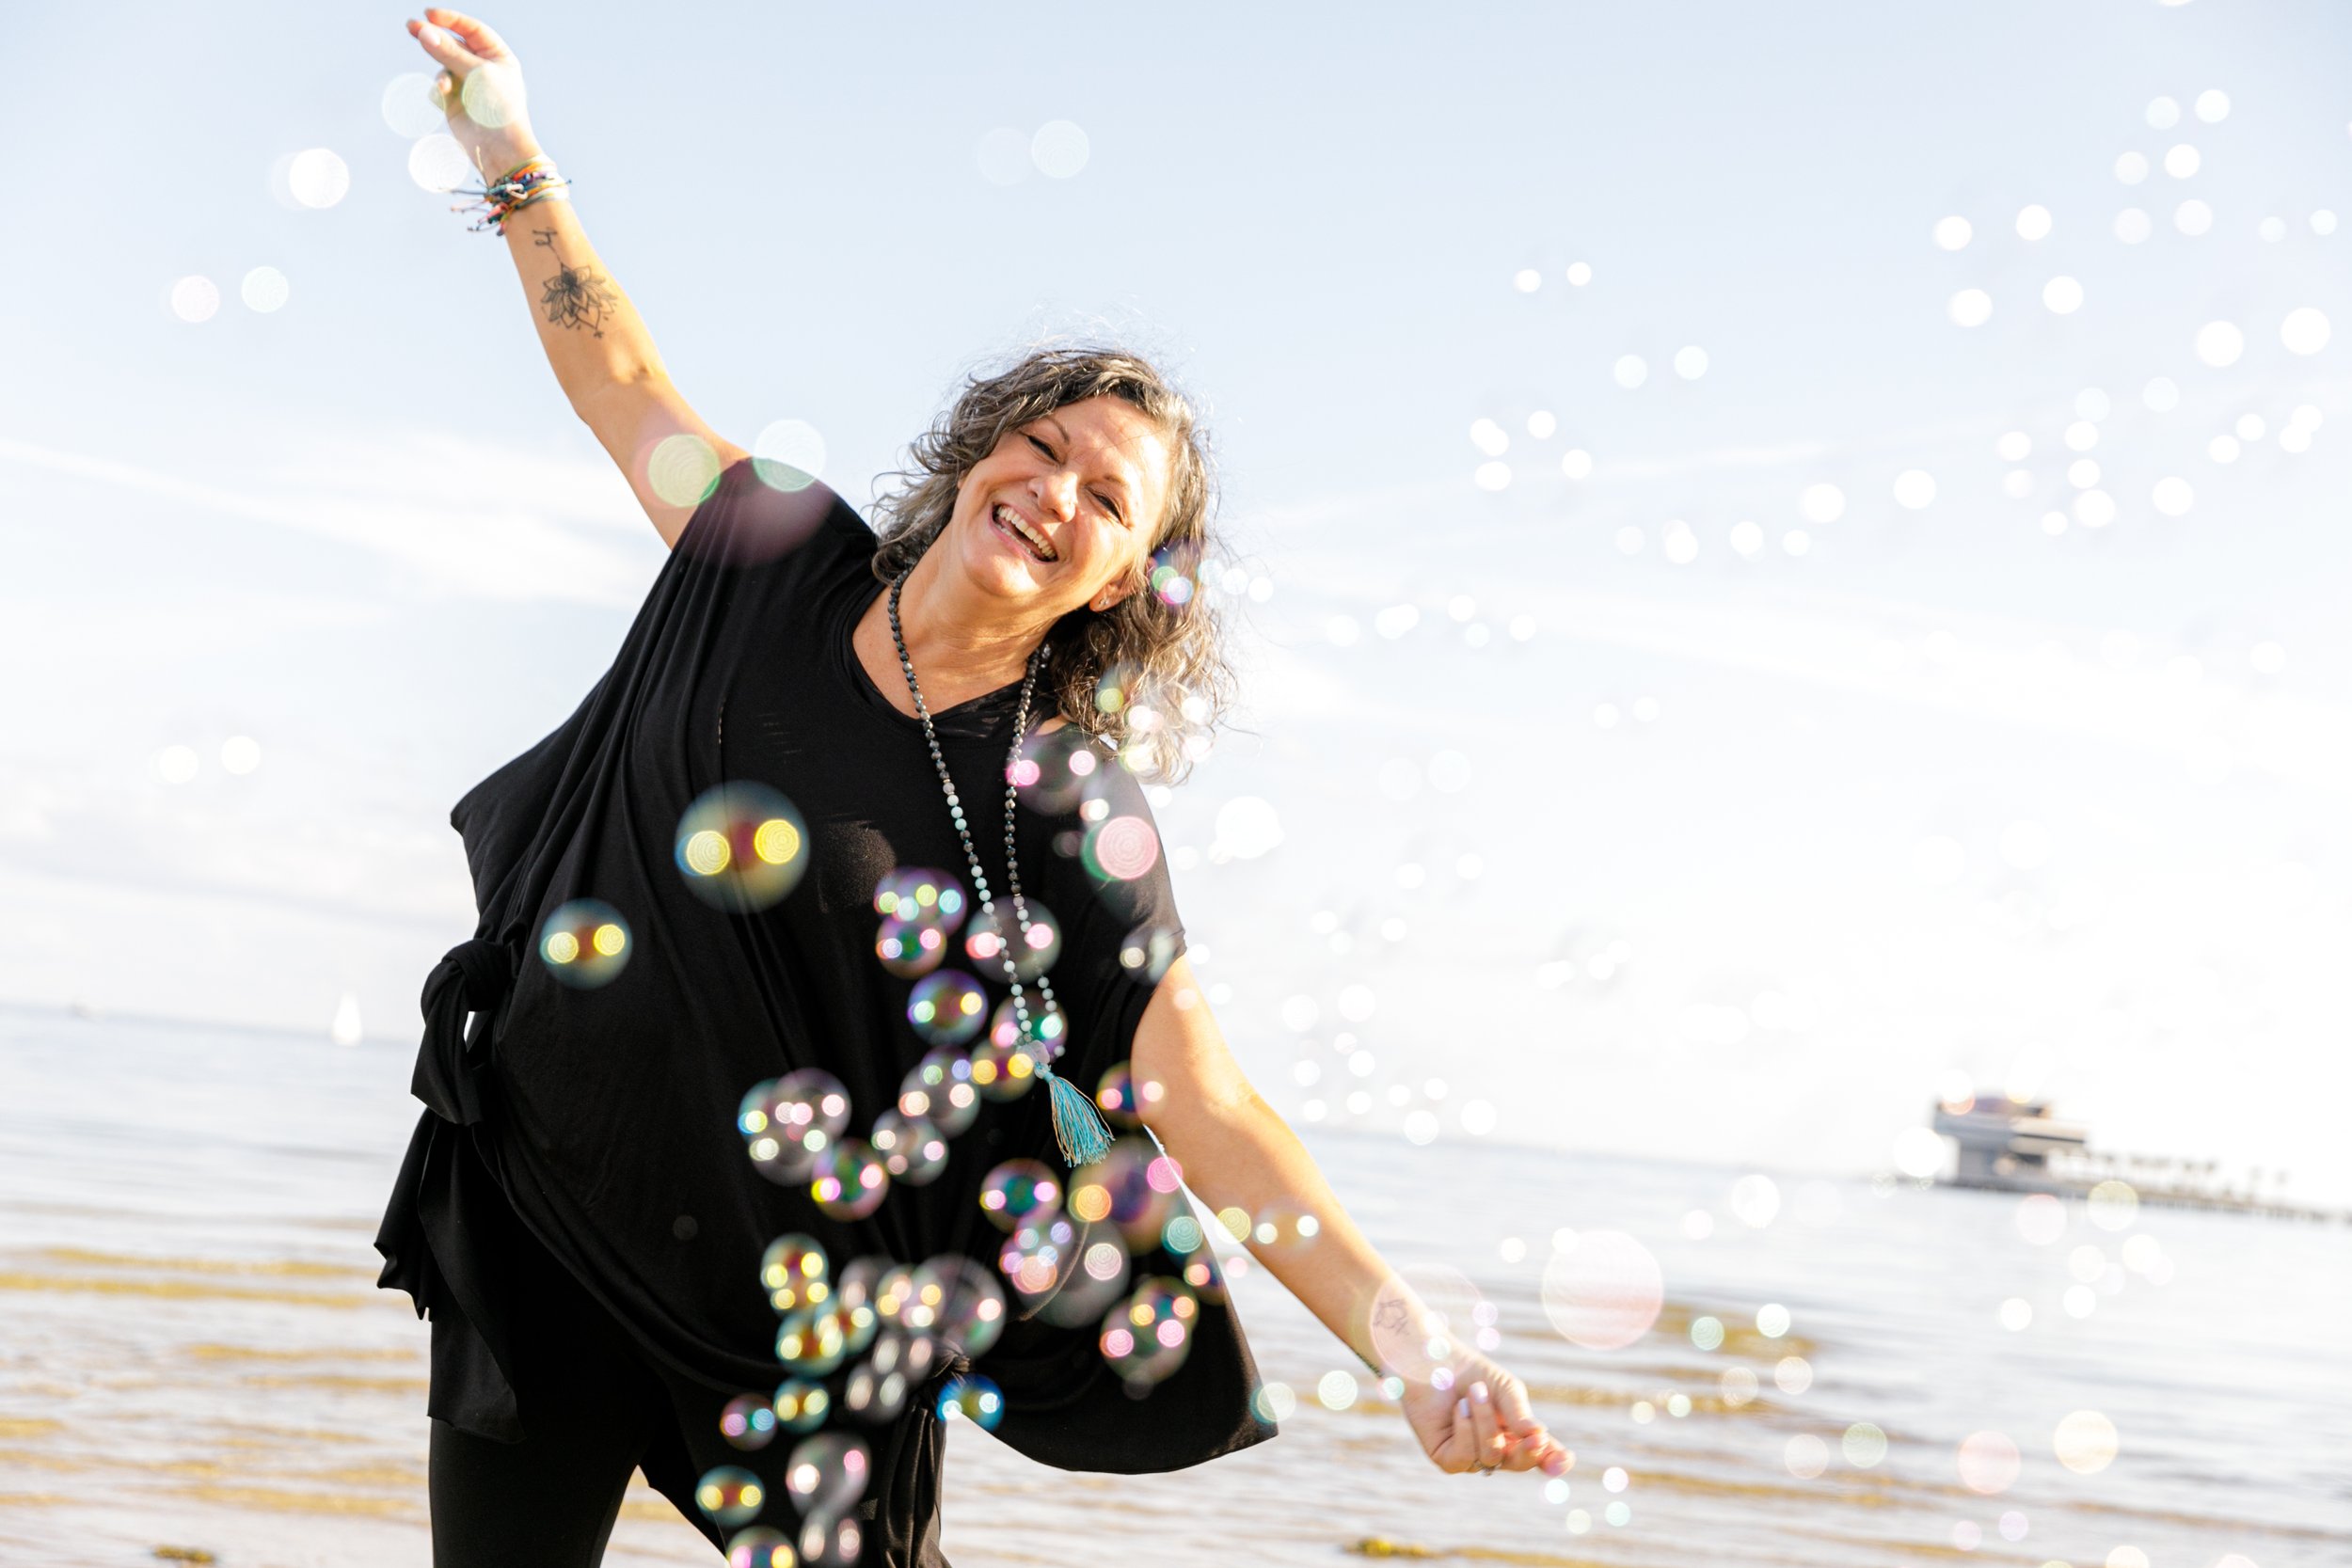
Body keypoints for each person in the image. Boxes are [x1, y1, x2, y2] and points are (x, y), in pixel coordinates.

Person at [379, 11, 1570, 1566]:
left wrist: (1414, 1350)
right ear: (980, 447)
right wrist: (508, 147)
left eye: (1107, 499)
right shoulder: (763, 549)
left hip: (811, 1330)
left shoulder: (1067, 806)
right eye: (1047, 443)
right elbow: (619, 375)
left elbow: (1200, 1100)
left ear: (1128, 581)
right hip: (555, 1217)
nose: (1055, 491)